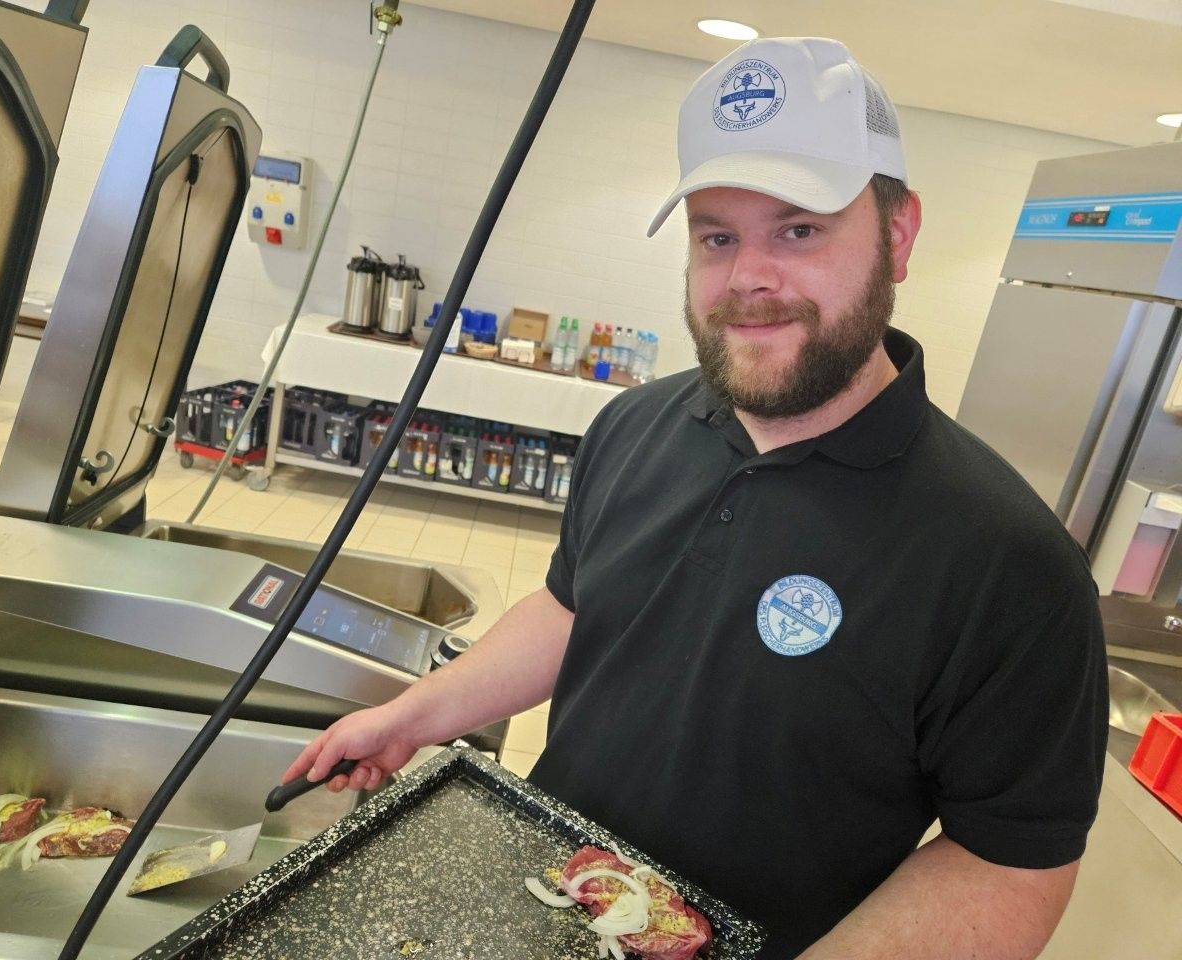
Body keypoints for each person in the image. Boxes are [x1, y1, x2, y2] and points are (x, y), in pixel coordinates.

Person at [284, 37, 1108, 960]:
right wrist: (418, 713)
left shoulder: (1010, 564)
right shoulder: (632, 427)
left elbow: (1012, 860)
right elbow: (574, 609)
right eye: (718, 236)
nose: (749, 278)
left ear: (899, 234)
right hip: (539, 905)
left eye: (798, 230)